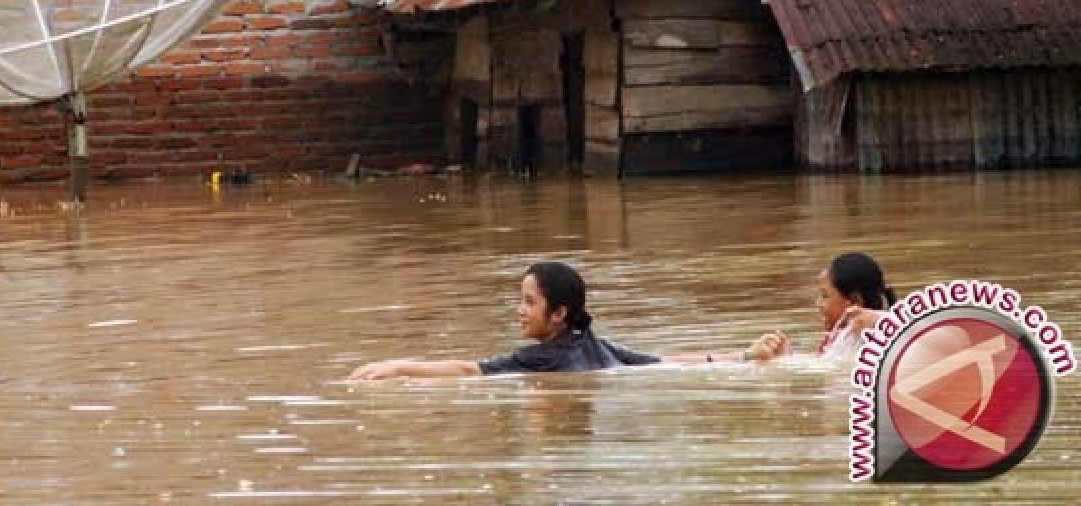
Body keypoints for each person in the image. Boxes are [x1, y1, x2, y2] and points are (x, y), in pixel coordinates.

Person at [347, 261, 784, 380]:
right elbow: (666, 363)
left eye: (528, 302)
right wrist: (742, 356)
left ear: (558, 314)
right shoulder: (596, 345)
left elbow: (469, 370)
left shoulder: (542, 359)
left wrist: (399, 366)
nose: (519, 311)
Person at [752, 251, 896, 363]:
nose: (818, 304)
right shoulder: (842, 342)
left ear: (854, 302)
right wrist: (785, 358)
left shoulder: (876, 344)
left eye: (824, 295)